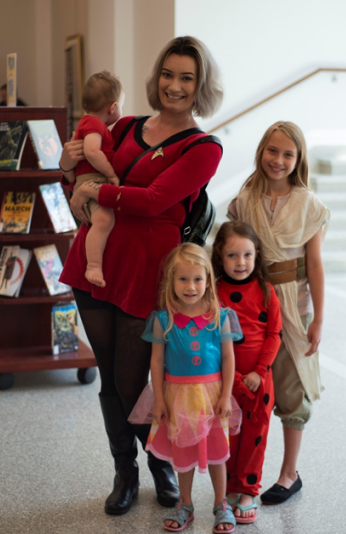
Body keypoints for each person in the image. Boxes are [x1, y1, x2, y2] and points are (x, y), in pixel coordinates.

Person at [56, 36, 224, 516]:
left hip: (149, 272)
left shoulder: (203, 147)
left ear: (200, 85)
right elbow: (78, 175)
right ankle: (124, 472)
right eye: (168, 74)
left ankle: (160, 461)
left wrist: (97, 188)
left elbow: (153, 200)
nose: (174, 86)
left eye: (186, 77)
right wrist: (69, 170)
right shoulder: (125, 124)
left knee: (136, 380)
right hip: (96, 261)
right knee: (109, 376)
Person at [227, 121, 329, 505]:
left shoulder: (309, 204)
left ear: (299, 158)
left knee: (290, 388)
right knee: (247, 387)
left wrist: (317, 318)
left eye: (289, 154)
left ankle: (289, 473)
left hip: (293, 307)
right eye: (273, 151)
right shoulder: (244, 198)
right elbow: (232, 253)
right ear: (261, 151)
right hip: (250, 306)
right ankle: (242, 473)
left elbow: (315, 265)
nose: (279, 160)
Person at [128, 243, 241, 533]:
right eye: (183, 279)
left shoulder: (220, 316)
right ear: (171, 281)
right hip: (176, 396)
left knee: (217, 452)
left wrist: (227, 395)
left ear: (208, 280)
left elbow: (228, 358)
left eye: (197, 279)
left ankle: (220, 503)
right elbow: (156, 361)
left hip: (212, 396)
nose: (190, 286)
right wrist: (159, 400)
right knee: (183, 453)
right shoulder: (162, 319)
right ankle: (185, 503)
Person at [212, 221, 281, 523]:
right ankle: (229, 487)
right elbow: (210, 338)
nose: (241, 263)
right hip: (225, 381)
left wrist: (259, 372)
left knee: (256, 435)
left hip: (259, 380)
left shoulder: (266, 290)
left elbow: (274, 334)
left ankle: (249, 489)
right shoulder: (213, 292)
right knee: (229, 435)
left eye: (247, 255)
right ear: (219, 257)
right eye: (232, 256)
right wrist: (235, 379)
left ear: (256, 255)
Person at [69, 71, 125, 287]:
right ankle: (93, 265)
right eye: (120, 106)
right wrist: (111, 174)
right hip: (92, 180)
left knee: (103, 219)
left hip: (89, 180)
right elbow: (92, 152)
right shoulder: (94, 125)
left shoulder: (88, 121)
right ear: (112, 107)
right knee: (104, 219)